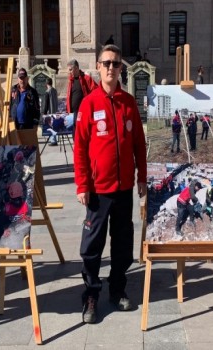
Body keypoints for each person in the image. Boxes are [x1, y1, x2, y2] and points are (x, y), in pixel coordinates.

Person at [74, 44, 147, 324]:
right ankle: (91, 293)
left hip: (123, 188)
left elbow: (139, 143)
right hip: (97, 190)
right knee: (92, 246)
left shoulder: (128, 103)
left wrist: (141, 177)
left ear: (120, 68)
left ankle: (117, 290)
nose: (111, 68)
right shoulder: (89, 103)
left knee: (122, 243)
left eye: (116, 64)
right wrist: (82, 184)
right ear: (97, 65)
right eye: (106, 63)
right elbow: (80, 148)